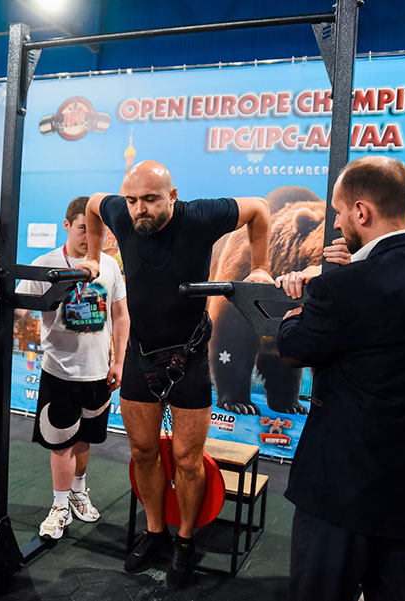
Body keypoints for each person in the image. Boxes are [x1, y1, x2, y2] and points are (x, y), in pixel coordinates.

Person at [275, 156, 405, 601]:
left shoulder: (345, 287)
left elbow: (294, 349)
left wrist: (299, 307)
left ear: (362, 211)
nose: (336, 223)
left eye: (338, 212)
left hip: (342, 495)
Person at [77, 160, 271, 588]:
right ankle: (154, 532)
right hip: (140, 356)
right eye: (132, 200)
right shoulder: (119, 211)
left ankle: (184, 539)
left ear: (173, 196)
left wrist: (260, 267)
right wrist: (92, 258)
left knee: (187, 459)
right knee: (143, 451)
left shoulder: (199, 216)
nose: (139, 209)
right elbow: (91, 205)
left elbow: (258, 208)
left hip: (190, 356)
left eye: (150, 199)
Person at [15, 196, 130, 540]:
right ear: (66, 226)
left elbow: (121, 315)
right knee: (61, 443)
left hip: (99, 372)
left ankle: (79, 490)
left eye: (97, 231)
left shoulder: (109, 265)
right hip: (59, 372)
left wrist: (119, 361)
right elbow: (19, 307)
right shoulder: (46, 264)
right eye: (83, 229)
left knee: (84, 441)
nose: (91, 237)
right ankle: (59, 505)